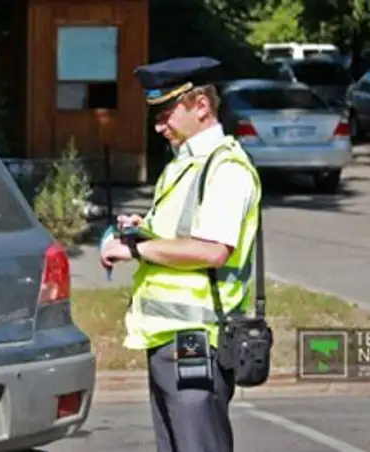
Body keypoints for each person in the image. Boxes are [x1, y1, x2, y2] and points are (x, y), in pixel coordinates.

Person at [99, 57, 262, 452]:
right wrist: (142, 229)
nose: (158, 126)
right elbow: (183, 233)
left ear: (201, 107)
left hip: (197, 340)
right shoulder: (185, 165)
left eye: (166, 112)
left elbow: (212, 250)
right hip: (170, 340)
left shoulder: (225, 168)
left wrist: (135, 248)